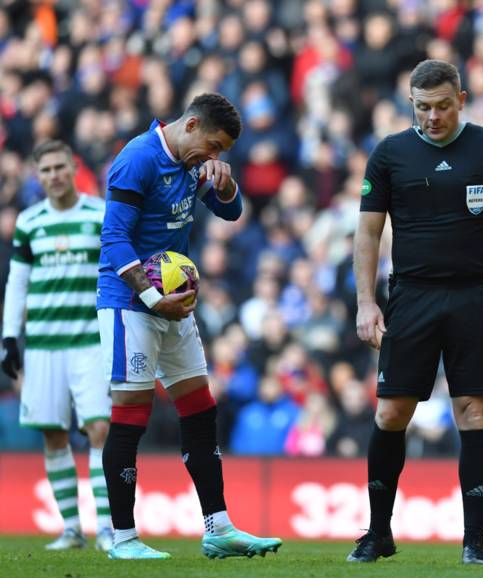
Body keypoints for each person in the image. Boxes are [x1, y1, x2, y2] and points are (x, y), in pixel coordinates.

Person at [351, 59, 483, 565]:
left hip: (473, 294)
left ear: (462, 100)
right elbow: (367, 232)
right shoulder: (389, 154)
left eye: (443, 106)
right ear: (411, 102)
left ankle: (474, 541)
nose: (433, 116)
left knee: (473, 411)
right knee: (391, 412)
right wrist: (366, 302)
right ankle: (378, 532)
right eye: (423, 107)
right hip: (410, 295)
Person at [96, 93, 281, 560]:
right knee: (131, 415)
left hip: (174, 303)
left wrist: (224, 186)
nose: (214, 157)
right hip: (129, 303)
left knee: (200, 409)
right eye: (214, 147)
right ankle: (123, 538)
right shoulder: (137, 159)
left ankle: (218, 528)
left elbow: (231, 213)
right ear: (192, 125)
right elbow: (114, 237)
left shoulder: (193, 163)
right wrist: (152, 296)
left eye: (221, 153)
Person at [1, 140, 113, 551]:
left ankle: (107, 528)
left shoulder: (99, 214)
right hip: (44, 345)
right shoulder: (30, 222)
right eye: (45, 169)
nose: (53, 175)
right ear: (38, 175)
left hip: (90, 342)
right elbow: (18, 283)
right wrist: (10, 336)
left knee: (100, 428)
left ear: (73, 168)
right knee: (53, 436)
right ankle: (71, 529)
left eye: (59, 167)